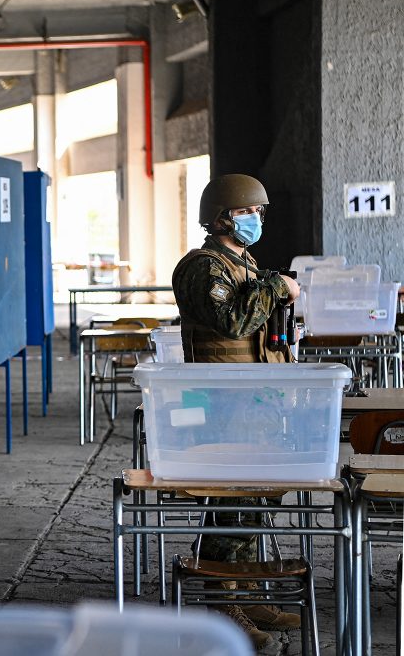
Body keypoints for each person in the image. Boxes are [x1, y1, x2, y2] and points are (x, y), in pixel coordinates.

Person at [171, 174, 302, 652]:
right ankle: (221, 604)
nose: (257, 220)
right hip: (219, 400)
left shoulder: (240, 261)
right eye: (251, 212)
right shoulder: (203, 268)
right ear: (225, 215)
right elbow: (234, 320)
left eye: (260, 214)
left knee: (251, 501)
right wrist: (278, 289)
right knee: (228, 502)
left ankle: (245, 592)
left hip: (251, 400)